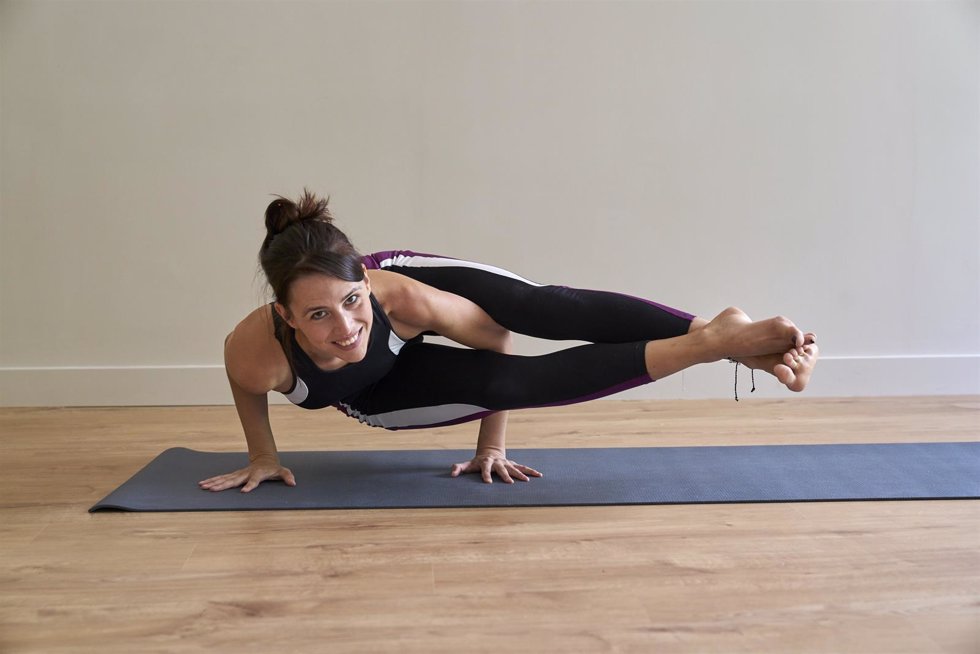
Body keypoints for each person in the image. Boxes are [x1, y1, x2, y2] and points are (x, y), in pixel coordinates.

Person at [199, 190, 818, 493]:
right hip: (377, 389)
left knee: (534, 307)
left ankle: (715, 337)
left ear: (365, 277)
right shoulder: (257, 350)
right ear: (284, 314)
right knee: (505, 385)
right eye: (317, 317)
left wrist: (490, 443)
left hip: (421, 308)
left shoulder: (402, 295)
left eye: (351, 300)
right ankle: (715, 342)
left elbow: (497, 333)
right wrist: (261, 455)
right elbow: (244, 386)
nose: (343, 328)